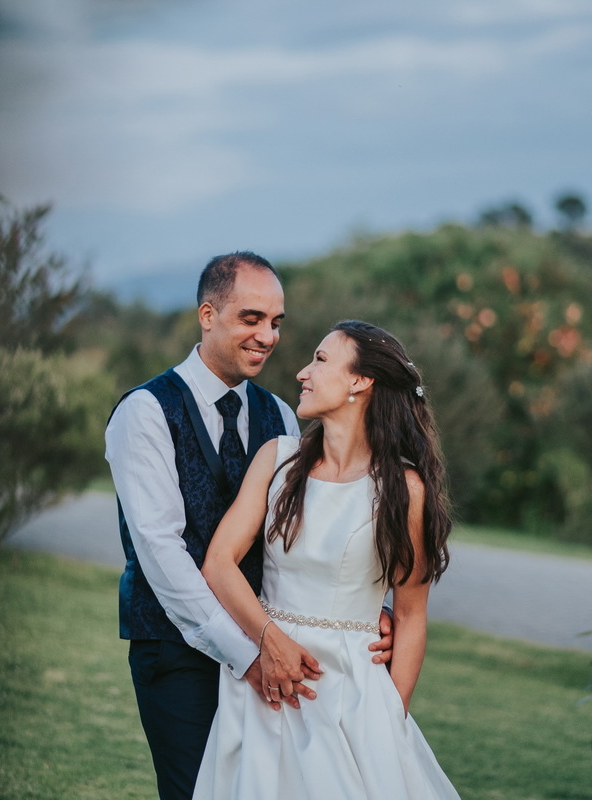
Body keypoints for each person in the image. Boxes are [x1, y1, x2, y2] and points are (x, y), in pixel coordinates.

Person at [104, 255, 394, 800]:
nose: (268, 336)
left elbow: (318, 527)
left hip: (275, 652)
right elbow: (161, 553)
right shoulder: (144, 412)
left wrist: (368, 607)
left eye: (276, 322)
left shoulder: (282, 416)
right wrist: (251, 651)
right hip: (179, 654)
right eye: (251, 318)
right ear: (207, 315)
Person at [195, 320, 461, 799]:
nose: (302, 372)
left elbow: (410, 615)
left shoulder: (404, 490)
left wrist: (390, 719)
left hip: (351, 695)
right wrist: (268, 640)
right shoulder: (277, 458)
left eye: (320, 360)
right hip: (264, 688)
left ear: (360, 380)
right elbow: (218, 563)